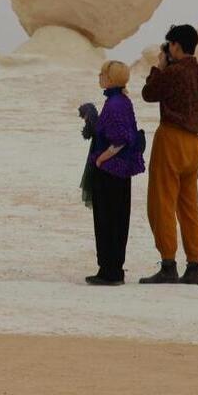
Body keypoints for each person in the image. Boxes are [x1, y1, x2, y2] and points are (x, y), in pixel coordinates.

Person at [140, 25, 198, 285]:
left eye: (169, 45)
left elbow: (149, 94)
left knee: (162, 203)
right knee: (189, 206)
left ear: (176, 46)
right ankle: (193, 265)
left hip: (171, 138)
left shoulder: (173, 72)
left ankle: (168, 263)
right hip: (194, 144)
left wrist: (158, 67)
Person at [84, 61, 145, 286]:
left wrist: (100, 159)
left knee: (108, 220)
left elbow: (119, 139)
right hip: (118, 173)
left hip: (111, 172)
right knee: (117, 219)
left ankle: (109, 271)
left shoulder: (116, 103)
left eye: (102, 73)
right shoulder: (120, 101)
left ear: (110, 78)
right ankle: (112, 269)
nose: (99, 76)